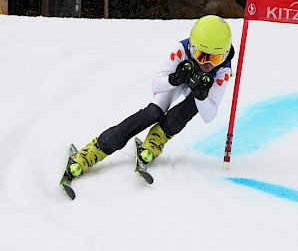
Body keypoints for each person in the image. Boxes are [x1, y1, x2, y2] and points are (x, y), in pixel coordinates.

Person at [66, 15, 235, 178]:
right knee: (152, 113)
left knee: (190, 107)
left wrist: (200, 95)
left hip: (195, 93)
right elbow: (155, 85)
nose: (207, 64)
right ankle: (96, 148)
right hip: (176, 83)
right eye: (201, 56)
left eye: (216, 58)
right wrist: (174, 79)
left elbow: (209, 115)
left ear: (225, 54)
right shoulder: (182, 49)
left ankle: (157, 138)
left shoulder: (223, 70)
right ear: (192, 48)